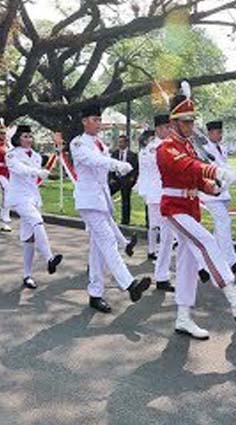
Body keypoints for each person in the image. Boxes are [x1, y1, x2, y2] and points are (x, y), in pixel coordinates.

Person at [156, 82, 236, 340]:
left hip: (190, 206)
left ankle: (183, 317)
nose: (191, 126)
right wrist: (218, 171)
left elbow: (195, 177)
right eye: (186, 122)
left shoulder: (187, 145)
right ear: (174, 123)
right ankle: (234, 298)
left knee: (187, 263)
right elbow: (190, 167)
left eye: (192, 122)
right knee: (206, 242)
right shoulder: (167, 147)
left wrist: (214, 187)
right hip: (174, 207)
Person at [70, 103, 151, 313]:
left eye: (99, 119)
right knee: (107, 241)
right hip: (88, 200)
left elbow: (101, 162)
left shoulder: (100, 144)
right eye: (94, 120)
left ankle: (95, 294)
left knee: (97, 251)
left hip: (101, 199)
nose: (98, 123)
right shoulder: (78, 143)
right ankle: (129, 284)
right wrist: (116, 164)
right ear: (84, 121)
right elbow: (92, 161)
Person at [5, 124, 63, 289]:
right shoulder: (11, 155)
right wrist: (37, 172)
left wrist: (57, 149)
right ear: (17, 139)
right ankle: (49, 258)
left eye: (30, 136)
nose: (29, 139)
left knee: (29, 238)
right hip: (19, 197)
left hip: (33, 198)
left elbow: (45, 167)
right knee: (38, 221)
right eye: (25, 136)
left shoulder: (37, 156)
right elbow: (19, 169)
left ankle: (27, 275)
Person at [200, 120, 236, 274]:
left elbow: (224, 165)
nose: (220, 135)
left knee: (220, 228)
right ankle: (232, 261)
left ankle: (212, 261)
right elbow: (211, 168)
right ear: (210, 133)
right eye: (217, 132)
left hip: (223, 192)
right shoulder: (203, 149)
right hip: (211, 192)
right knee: (224, 223)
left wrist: (235, 174)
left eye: (221, 132)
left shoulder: (222, 147)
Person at [136, 115, 175, 292]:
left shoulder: (167, 146)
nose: (170, 130)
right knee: (164, 234)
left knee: (169, 236)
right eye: (167, 127)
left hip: (168, 195)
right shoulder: (153, 148)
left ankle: (163, 275)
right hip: (158, 195)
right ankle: (162, 275)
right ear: (158, 129)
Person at [109, 134, 139, 225]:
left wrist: (132, 179)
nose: (120, 144)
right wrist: (111, 178)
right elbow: (110, 166)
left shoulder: (132, 155)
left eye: (122, 142)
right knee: (106, 193)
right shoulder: (115, 154)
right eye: (119, 142)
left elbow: (135, 169)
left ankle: (125, 221)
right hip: (116, 179)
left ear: (127, 143)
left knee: (125, 199)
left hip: (127, 180)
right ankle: (109, 216)